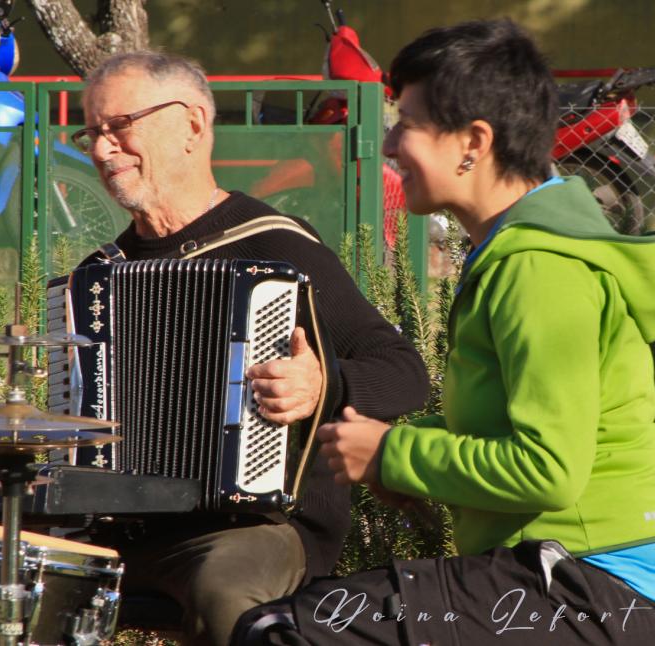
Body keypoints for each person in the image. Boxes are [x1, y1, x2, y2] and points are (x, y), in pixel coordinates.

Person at [232, 19, 655, 646]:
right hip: (550, 579)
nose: (389, 144)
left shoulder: (540, 269)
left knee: (280, 631)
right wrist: (390, 451)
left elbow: (548, 470)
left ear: (473, 142)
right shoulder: (514, 253)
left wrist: (393, 453)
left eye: (407, 123)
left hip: (591, 592)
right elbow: (502, 434)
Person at [70, 50, 430, 646]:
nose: (102, 151)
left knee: (224, 592)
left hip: (259, 526)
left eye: (120, 127)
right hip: (123, 524)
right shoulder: (100, 280)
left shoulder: (277, 250)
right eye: (93, 132)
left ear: (191, 125)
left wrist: (325, 387)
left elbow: (404, 372)